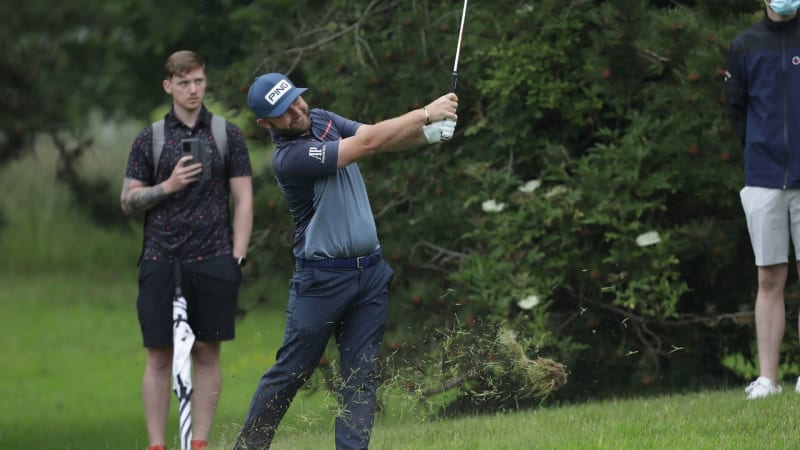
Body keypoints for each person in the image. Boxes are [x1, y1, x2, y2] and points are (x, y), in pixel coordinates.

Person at [233, 72, 458, 449]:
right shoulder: (289, 159)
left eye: (296, 101)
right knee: (292, 371)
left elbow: (379, 136)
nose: (296, 111)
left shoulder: (321, 118)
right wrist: (425, 113)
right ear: (265, 123)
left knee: (361, 376)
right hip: (321, 281)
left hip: (369, 274)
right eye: (283, 111)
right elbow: (367, 144)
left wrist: (430, 132)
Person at [120, 50, 254, 449]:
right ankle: (157, 444)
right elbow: (127, 201)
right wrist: (169, 186)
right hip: (161, 258)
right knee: (158, 355)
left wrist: (238, 256)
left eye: (198, 80)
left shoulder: (227, 134)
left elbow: (244, 199)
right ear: (168, 86)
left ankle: (199, 443)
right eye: (184, 82)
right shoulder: (151, 138)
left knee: (207, 352)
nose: (193, 89)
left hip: (214, 257)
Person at [725, 0, 800, 399]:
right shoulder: (745, 44)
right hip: (763, 177)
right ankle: (768, 379)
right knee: (769, 277)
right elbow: (736, 110)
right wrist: (759, 149)